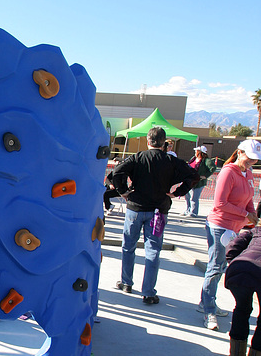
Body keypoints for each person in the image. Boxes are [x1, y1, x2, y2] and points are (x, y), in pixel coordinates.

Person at [112, 126, 198, 304]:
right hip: (158, 211)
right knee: (153, 251)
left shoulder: (137, 158)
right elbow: (193, 175)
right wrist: (177, 192)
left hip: (135, 209)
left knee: (128, 247)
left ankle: (126, 282)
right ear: (164, 142)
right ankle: (148, 292)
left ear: (148, 141)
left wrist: (123, 191)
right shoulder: (171, 161)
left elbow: (117, 171)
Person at [199, 139, 261, 330]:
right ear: (240, 152)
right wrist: (245, 214)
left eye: (255, 160)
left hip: (234, 227)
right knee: (215, 266)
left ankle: (207, 301)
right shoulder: (228, 172)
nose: (251, 162)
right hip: (219, 225)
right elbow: (220, 203)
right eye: (249, 158)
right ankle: (208, 310)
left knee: (220, 266)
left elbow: (249, 199)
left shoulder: (248, 173)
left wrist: (253, 217)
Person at [224, 203, 261, 356]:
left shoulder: (253, 232)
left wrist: (233, 262)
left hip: (239, 270)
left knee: (242, 308)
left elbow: (232, 246)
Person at [183, 145, 215, 217]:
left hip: (198, 182)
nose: (195, 152)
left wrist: (205, 176)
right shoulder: (194, 158)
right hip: (189, 180)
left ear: (201, 152)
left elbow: (212, 168)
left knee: (194, 197)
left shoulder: (206, 160)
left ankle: (193, 212)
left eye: (196, 151)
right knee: (187, 196)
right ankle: (188, 210)